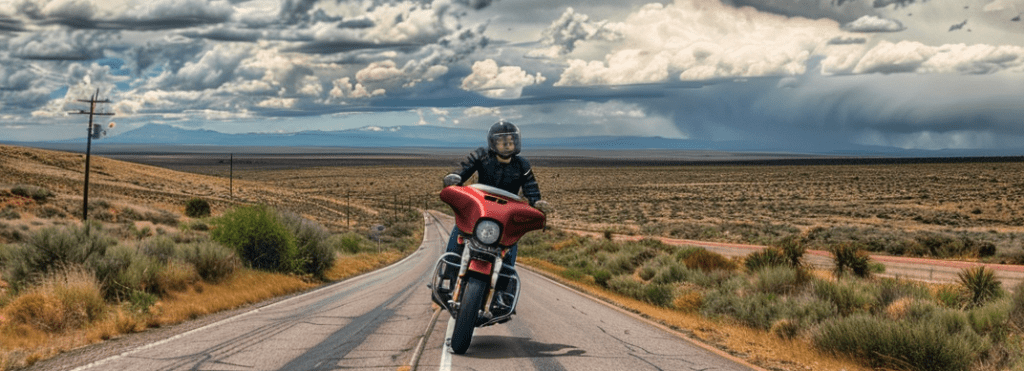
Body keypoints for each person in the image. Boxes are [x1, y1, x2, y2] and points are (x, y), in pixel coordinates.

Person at [442, 120, 548, 268]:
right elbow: (464, 168)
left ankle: (506, 278)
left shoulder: (522, 164)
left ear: (517, 142)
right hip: (480, 205)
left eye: (511, 141)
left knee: (511, 240)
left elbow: (531, 187)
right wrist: (455, 179)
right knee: (462, 227)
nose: (507, 145)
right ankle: (448, 265)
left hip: (507, 212)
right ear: (493, 143)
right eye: (501, 141)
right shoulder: (481, 155)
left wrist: (537, 204)